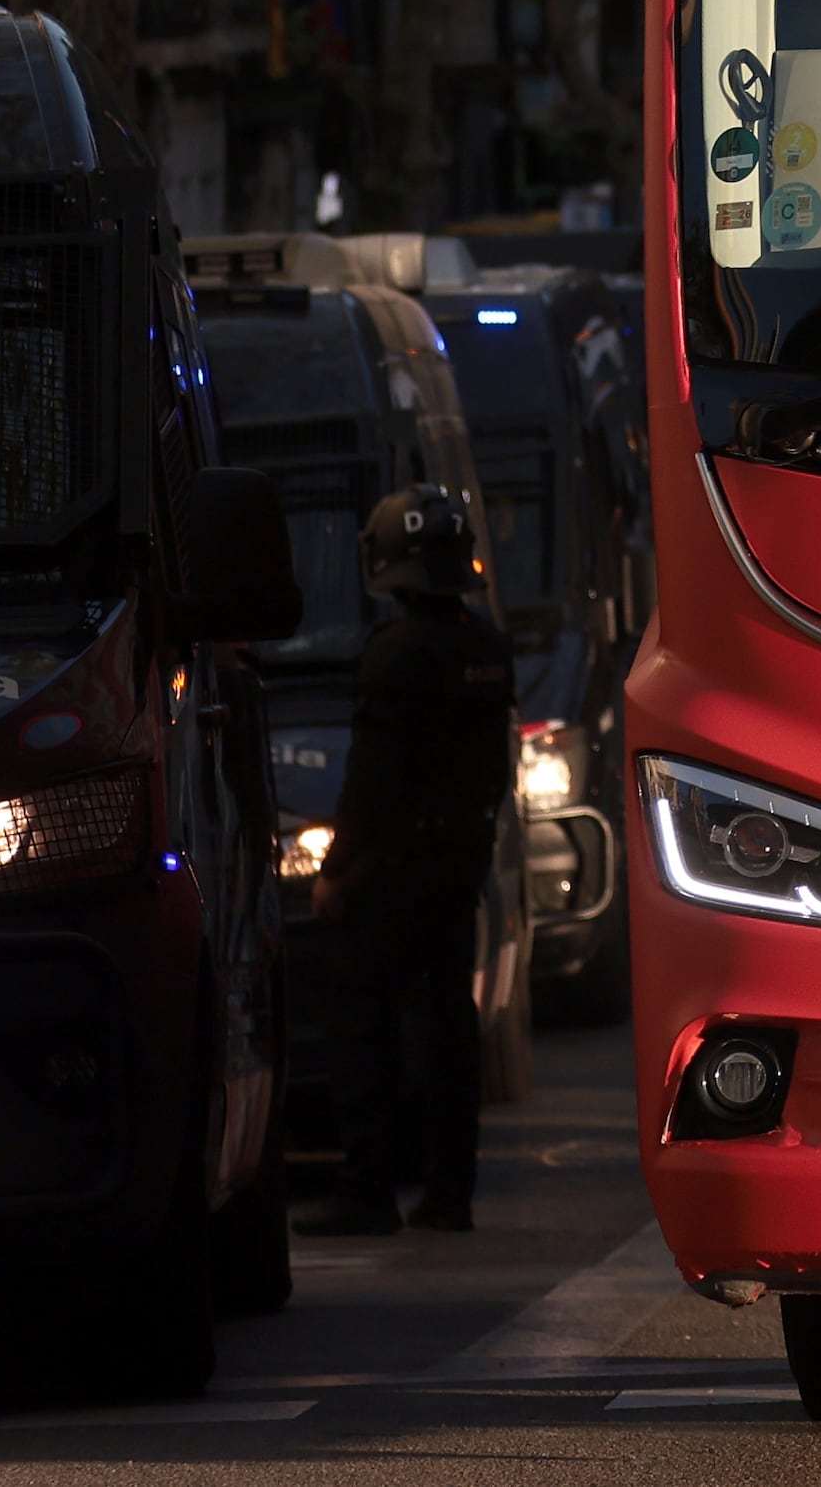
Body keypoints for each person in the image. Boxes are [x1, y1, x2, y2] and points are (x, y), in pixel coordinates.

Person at [299, 486, 519, 1236]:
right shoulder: (488, 649)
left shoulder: (394, 654)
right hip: (457, 865)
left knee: (364, 1029)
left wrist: (337, 870)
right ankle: (449, 1192)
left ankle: (367, 1190)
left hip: (390, 873)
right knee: (449, 1032)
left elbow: (371, 782)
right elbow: (496, 768)